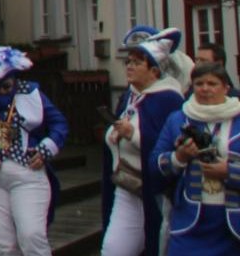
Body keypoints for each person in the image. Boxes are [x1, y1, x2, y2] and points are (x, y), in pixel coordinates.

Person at [0, 46, 67, 256]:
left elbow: (59, 124)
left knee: (31, 236)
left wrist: (46, 149)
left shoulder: (31, 93)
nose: (1, 92)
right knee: (2, 245)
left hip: (28, 173)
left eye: (6, 87)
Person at [102, 27, 188, 256]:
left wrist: (134, 135)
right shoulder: (129, 97)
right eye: (128, 61)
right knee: (113, 250)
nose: (129, 66)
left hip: (155, 192)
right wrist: (113, 135)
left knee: (156, 246)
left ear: (154, 71)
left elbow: (168, 146)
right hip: (126, 185)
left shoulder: (168, 100)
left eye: (137, 62)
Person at [154, 62, 240, 255]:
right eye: (199, 83)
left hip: (234, 228)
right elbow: (154, 165)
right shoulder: (177, 119)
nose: (205, 88)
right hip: (189, 225)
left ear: (226, 88)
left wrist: (230, 172)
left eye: (212, 83)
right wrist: (178, 157)